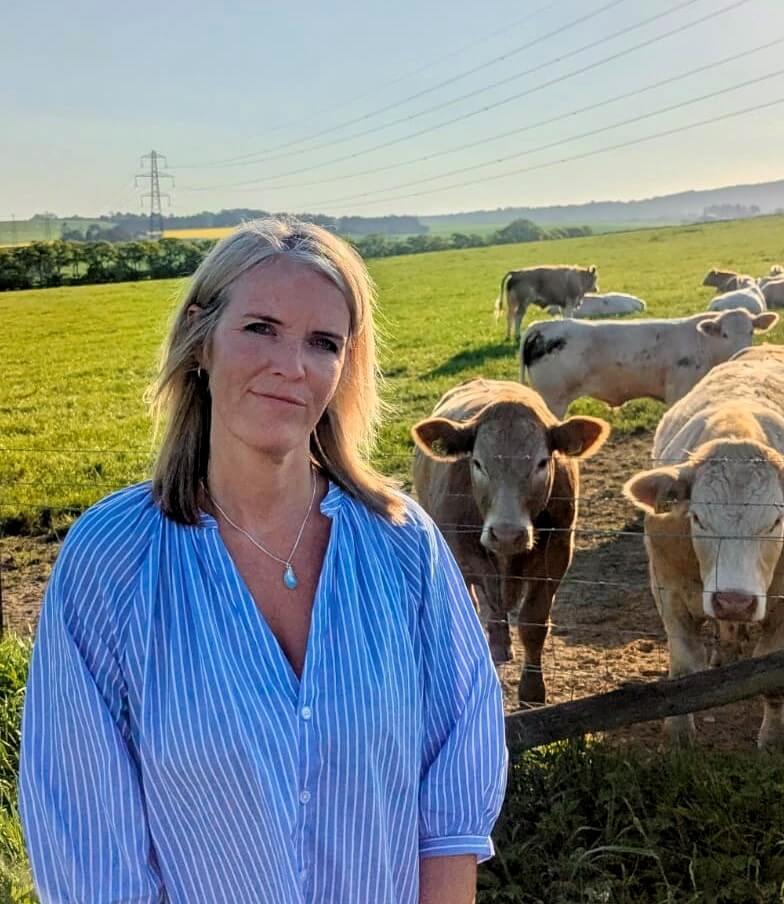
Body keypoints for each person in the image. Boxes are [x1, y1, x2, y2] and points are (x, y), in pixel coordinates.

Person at [18, 218, 508, 904]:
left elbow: (452, 803)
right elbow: (90, 848)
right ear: (200, 341)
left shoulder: (402, 547)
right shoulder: (111, 561)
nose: (292, 366)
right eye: (261, 328)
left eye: (322, 343)